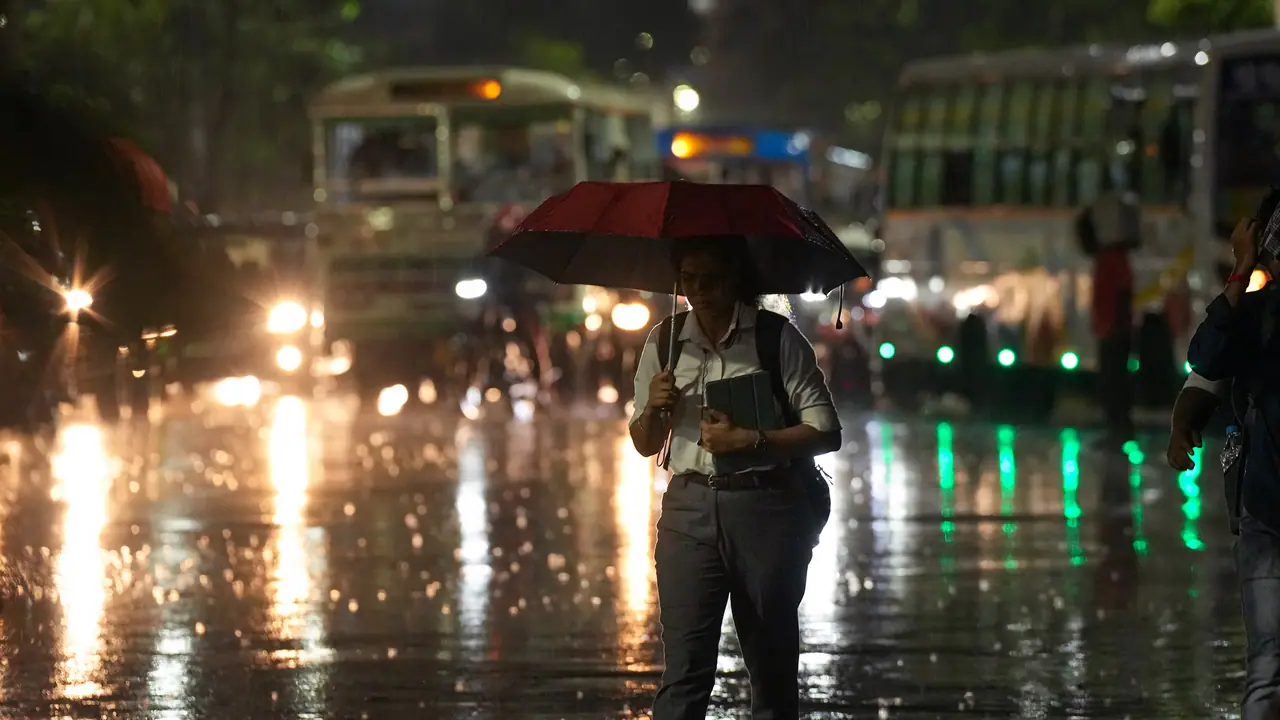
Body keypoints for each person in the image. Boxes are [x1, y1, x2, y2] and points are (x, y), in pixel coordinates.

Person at [629, 237, 842, 720]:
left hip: (766, 509)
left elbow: (826, 430)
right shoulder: (664, 343)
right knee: (684, 671)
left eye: (711, 280)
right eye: (688, 279)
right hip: (688, 510)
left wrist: (752, 441)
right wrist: (655, 409)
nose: (698, 292)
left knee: (771, 669)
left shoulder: (776, 340)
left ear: (736, 281)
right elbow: (644, 442)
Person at [1183, 208, 1280, 719]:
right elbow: (1207, 359)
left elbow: (1207, 356)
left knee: (1267, 667)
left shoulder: (1257, 314)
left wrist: (1241, 271)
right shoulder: (1260, 315)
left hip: (1263, 509)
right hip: (1264, 510)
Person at [1077, 169, 1142, 445]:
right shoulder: (1112, 258)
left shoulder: (1111, 260)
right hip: (1112, 328)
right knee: (1114, 383)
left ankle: (1118, 430)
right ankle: (1118, 429)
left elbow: (1120, 295)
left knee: (1113, 383)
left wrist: (1115, 326)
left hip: (1113, 330)